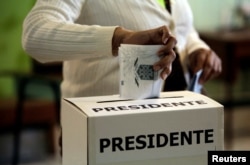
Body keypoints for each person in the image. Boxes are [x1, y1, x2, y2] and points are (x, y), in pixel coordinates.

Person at [22, 0, 222, 99]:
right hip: (107, 133)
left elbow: (181, 27)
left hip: (178, 123)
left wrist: (197, 47)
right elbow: (35, 33)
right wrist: (119, 39)